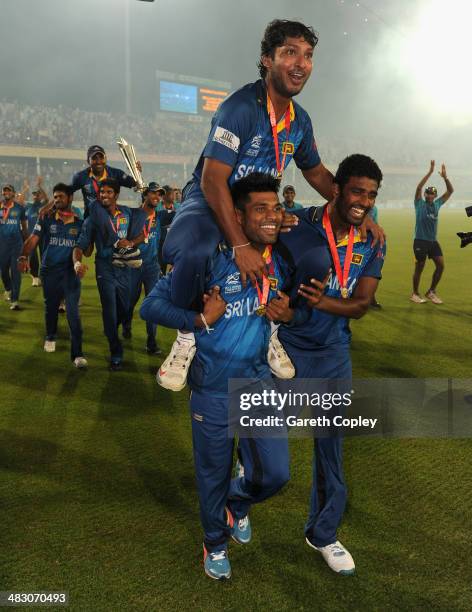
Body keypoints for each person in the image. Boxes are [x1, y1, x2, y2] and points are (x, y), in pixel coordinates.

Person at [141, 173, 304, 580]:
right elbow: (152, 306)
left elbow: (292, 307)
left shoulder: (280, 259)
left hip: (258, 383)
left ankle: (238, 503)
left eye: (276, 207)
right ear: (237, 216)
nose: (272, 216)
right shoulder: (207, 258)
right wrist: (199, 317)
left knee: (277, 474)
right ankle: (214, 542)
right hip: (211, 389)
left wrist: (288, 314)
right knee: (211, 473)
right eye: (261, 208)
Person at [159, 19, 336, 391]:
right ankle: (187, 336)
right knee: (193, 248)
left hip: (262, 209)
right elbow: (212, 179)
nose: (301, 63)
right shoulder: (239, 107)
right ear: (267, 60)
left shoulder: (299, 121)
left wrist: (356, 209)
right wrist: (240, 244)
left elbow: (316, 172)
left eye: (307, 55)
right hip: (212, 200)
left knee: (317, 255)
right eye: (290, 52)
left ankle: (272, 327)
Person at [278, 154, 386, 576]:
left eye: (372, 195)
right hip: (286, 347)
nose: (363, 202)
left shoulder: (374, 239)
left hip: (334, 351)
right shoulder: (296, 225)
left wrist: (322, 300)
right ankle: (243, 494)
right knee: (265, 440)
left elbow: (359, 305)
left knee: (331, 445)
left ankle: (323, 532)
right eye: (357, 191)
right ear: (336, 189)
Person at [73, 179, 144, 371]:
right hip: (105, 268)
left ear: (116, 195)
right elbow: (80, 246)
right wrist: (77, 262)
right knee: (110, 311)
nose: (104, 195)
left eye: (109, 192)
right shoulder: (92, 219)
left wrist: (130, 244)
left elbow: (140, 236)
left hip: (126, 268)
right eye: (101, 192)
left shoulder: (128, 213)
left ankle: (118, 325)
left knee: (127, 306)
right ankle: (116, 353)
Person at [18, 184, 87, 367]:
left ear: (70, 199)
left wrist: (78, 262)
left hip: (70, 274)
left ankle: (78, 355)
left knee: (73, 313)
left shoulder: (80, 224)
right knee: (51, 307)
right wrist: (24, 256)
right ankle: (50, 335)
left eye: (60, 197)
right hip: (49, 272)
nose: (57, 200)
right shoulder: (46, 219)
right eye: (55, 197)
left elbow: (83, 249)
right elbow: (33, 239)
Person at [122, 182, 163, 354]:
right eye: (153, 193)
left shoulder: (158, 218)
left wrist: (160, 265)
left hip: (152, 267)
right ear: (145, 195)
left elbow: (159, 242)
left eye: (159, 194)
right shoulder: (133, 215)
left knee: (152, 303)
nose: (157, 197)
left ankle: (151, 341)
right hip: (134, 265)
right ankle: (126, 323)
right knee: (130, 301)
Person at [411, 160, 453, 304]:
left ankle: (431, 291)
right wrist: (430, 172)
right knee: (420, 268)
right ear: (424, 194)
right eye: (427, 193)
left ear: (435, 196)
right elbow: (418, 187)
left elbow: (450, 191)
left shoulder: (437, 204)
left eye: (432, 194)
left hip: (433, 241)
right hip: (420, 240)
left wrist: (445, 178)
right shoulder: (419, 203)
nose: (429, 195)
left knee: (441, 265)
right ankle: (415, 293)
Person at [0, 184, 27, 310]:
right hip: (2, 245)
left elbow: (24, 226)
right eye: (4, 190)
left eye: (8, 190)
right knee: (3, 271)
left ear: (13, 193)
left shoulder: (20, 208)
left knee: (16, 272)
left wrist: (27, 243)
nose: (6, 192)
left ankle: (15, 300)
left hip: (16, 244)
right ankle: (9, 289)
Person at [25, 177, 49, 287]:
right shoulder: (28, 207)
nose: (35, 196)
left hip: (43, 236)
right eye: (34, 194)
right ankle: (35, 277)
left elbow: (47, 199)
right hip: (33, 236)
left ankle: (43, 276)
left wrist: (40, 186)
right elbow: (18, 202)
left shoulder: (44, 205)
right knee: (33, 256)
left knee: (44, 256)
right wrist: (25, 189)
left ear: (40, 196)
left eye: (37, 194)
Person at [157, 185, 177, 275]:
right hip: (160, 242)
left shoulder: (179, 207)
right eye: (171, 194)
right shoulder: (157, 207)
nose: (174, 196)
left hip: (175, 242)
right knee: (161, 268)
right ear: (164, 196)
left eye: (174, 194)